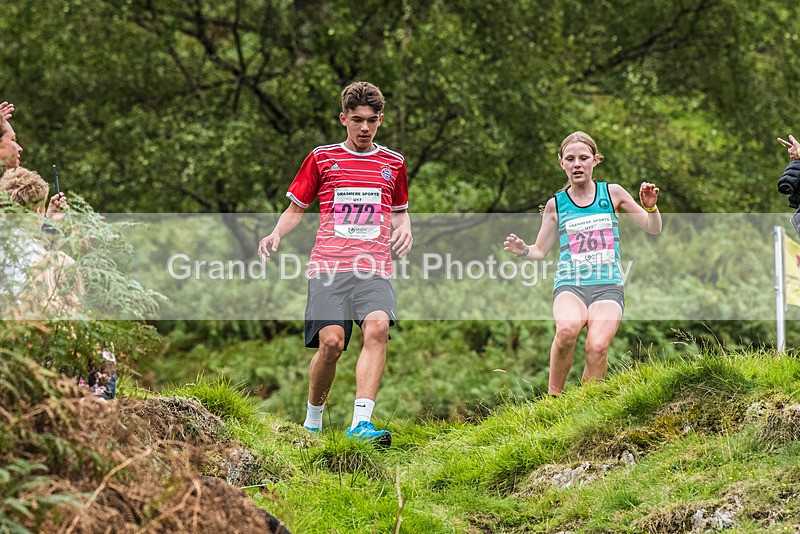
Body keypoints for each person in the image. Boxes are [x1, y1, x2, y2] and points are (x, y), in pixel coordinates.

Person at [258, 81, 412, 446]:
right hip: (328, 267)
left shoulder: (394, 163)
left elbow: (401, 213)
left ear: (380, 120)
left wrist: (406, 230)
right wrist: (276, 234)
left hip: (373, 267)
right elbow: (296, 209)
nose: (364, 128)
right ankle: (312, 421)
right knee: (332, 344)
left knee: (376, 329)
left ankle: (361, 424)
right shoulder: (322, 158)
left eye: (371, 121)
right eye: (357, 120)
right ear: (343, 118)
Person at [504, 131, 661, 396]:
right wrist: (523, 250)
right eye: (570, 158)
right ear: (561, 163)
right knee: (566, 330)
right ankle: (553, 400)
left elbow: (652, 228)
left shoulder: (612, 193)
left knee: (597, 347)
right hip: (570, 285)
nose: (577, 163)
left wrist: (650, 208)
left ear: (595, 161)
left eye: (583, 158)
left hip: (608, 286)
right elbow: (539, 250)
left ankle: (586, 405)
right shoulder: (556, 205)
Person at [0, 166, 117, 399]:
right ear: (36, 210)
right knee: (97, 342)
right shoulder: (46, 259)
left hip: (12, 350)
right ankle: (99, 402)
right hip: (43, 349)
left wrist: (46, 223)